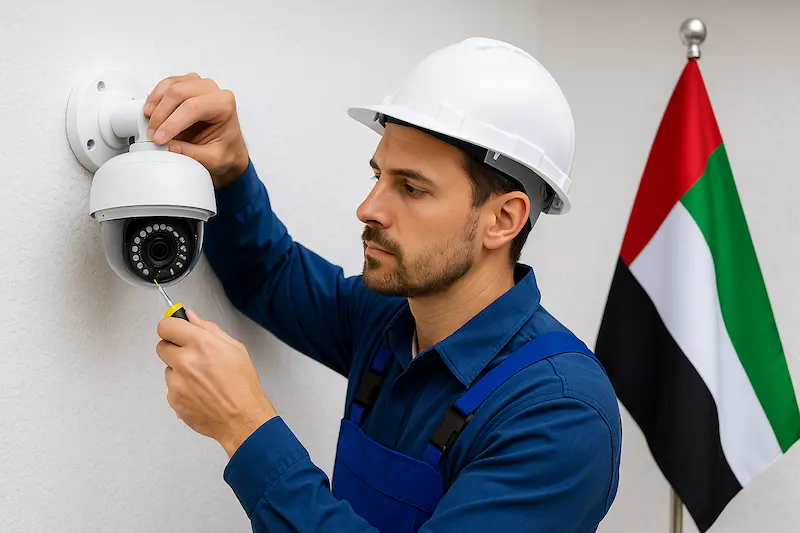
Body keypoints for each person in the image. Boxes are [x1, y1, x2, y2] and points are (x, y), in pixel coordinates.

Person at [149, 37, 622, 533]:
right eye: (378, 175)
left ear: (503, 219)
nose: (368, 208)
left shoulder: (559, 416)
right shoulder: (389, 318)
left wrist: (244, 427)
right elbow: (269, 277)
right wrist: (230, 170)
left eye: (412, 187)